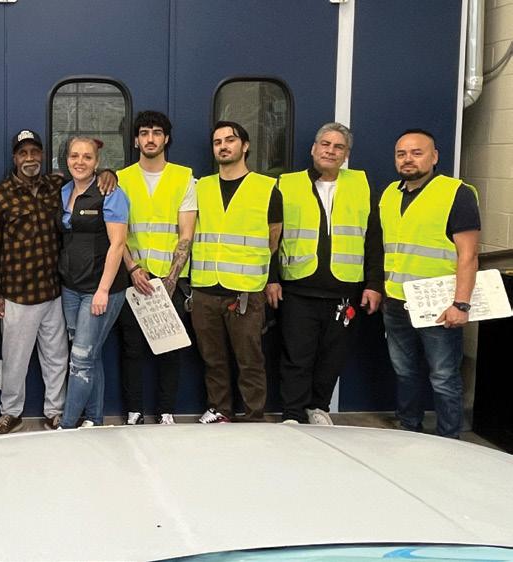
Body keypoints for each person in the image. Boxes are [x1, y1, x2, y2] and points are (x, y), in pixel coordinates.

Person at [0, 130, 117, 434]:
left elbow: (89, 180)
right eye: (23, 153)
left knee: (57, 358)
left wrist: (108, 173)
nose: (30, 158)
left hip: (55, 291)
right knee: (14, 361)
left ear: (42, 156)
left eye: (35, 152)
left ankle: (55, 412)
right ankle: (11, 413)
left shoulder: (56, 187)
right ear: (15, 158)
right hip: (17, 294)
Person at [266, 122, 383, 425]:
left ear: (346, 155)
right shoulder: (287, 184)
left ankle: (318, 408)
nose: (331, 151)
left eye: (338, 146)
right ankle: (292, 414)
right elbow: (272, 238)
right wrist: (272, 279)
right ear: (313, 149)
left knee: (333, 357)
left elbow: (373, 238)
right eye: (325, 144)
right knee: (296, 355)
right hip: (298, 288)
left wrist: (373, 284)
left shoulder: (361, 185)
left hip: (345, 290)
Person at [379, 129, 479, 439]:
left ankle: (450, 440)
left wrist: (461, 304)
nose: (408, 159)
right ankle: (409, 428)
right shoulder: (389, 194)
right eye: (401, 154)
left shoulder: (456, 193)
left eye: (416, 152)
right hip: (396, 301)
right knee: (404, 372)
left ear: (434, 157)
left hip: (439, 305)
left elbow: (469, 254)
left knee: (444, 377)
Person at [190, 121, 282, 423]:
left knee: (250, 360)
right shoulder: (199, 187)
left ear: (245, 146)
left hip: (246, 291)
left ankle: (254, 416)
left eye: (230, 140)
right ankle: (220, 410)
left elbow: (273, 241)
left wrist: (268, 279)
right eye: (217, 142)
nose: (223, 146)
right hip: (205, 288)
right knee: (212, 359)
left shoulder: (267, 188)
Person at [115, 111, 196, 426]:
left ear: (167, 138)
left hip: (171, 279)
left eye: (157, 132)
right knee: (132, 349)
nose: (150, 138)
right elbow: (117, 233)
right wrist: (133, 269)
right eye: (144, 133)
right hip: (133, 278)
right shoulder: (122, 179)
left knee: (170, 348)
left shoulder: (183, 178)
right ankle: (134, 412)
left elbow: (186, 234)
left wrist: (171, 278)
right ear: (136, 140)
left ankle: (165, 412)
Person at [58, 137, 130, 429]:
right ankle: (94, 419)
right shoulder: (64, 191)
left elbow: (118, 244)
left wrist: (102, 290)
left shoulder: (110, 193)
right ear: (67, 160)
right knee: (90, 354)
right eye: (74, 156)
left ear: (97, 162)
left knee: (81, 359)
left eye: (87, 157)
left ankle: (66, 427)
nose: (80, 162)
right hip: (70, 288)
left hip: (100, 290)